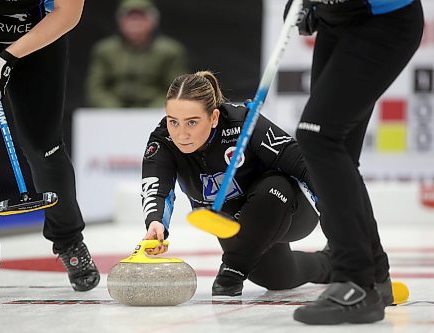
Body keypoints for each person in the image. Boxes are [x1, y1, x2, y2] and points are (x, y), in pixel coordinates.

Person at [0, 0, 100, 299]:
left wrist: (10, 56)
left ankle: (68, 239)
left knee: (43, 144)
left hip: (36, 28)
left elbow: (68, 13)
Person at [282, 0, 424, 325]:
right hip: (336, 22)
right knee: (337, 147)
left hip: (383, 19)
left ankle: (355, 281)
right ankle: (374, 278)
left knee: (317, 135)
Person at [140, 70, 338, 297]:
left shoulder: (243, 122)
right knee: (276, 277)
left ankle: (232, 270)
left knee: (273, 187)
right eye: (173, 121)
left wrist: (333, 211)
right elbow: (156, 186)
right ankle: (330, 263)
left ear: (213, 117)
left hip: (289, 208)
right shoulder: (163, 141)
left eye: (192, 122)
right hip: (235, 225)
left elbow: (302, 163)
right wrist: (155, 222)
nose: (181, 134)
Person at [86, 0, 188, 108]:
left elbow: (177, 88)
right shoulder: (104, 50)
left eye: (141, 17)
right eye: (130, 18)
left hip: (156, 112)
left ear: (153, 21)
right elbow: (96, 88)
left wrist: (152, 110)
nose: (135, 23)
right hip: (112, 113)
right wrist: (114, 109)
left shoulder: (170, 51)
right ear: (120, 22)